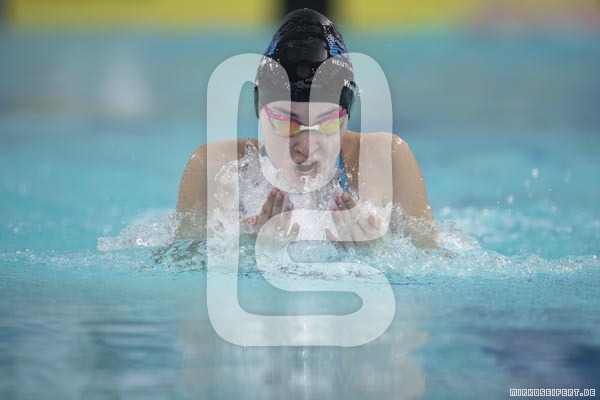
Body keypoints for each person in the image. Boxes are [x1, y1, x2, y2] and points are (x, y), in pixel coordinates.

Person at [176, 9, 436, 248]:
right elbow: (178, 267)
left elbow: (435, 264)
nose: (307, 147)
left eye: (328, 123)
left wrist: (376, 257)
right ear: (259, 113)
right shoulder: (214, 168)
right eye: (287, 123)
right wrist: (244, 251)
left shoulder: (386, 160)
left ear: (347, 118)